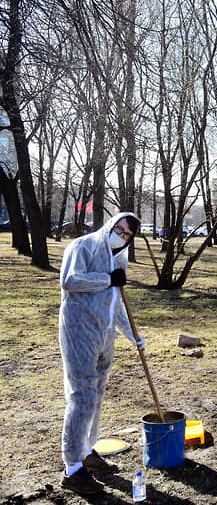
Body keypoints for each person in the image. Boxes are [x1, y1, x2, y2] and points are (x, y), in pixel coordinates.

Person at [59, 212, 144, 495]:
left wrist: (134, 336)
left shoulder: (119, 257)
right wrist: (107, 279)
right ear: (109, 225)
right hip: (79, 331)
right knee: (81, 396)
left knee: (96, 395)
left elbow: (116, 305)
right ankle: (72, 468)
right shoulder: (82, 246)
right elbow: (70, 281)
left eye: (126, 234)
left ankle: (86, 450)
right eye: (117, 229)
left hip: (104, 336)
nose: (120, 235)